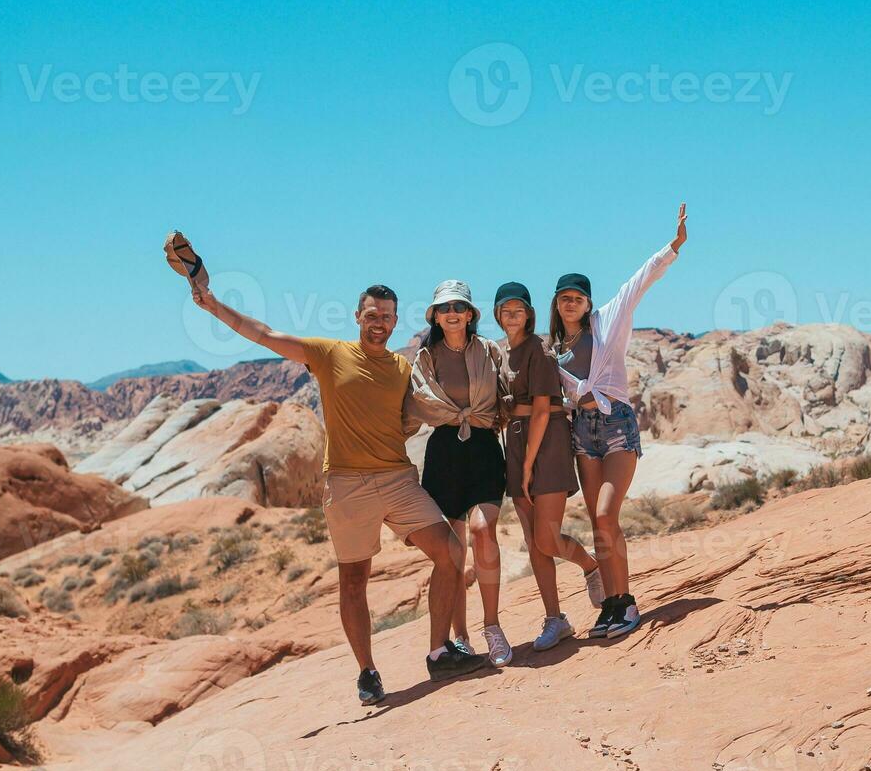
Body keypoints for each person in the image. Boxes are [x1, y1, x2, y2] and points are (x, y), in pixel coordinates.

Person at [189, 274, 486, 705]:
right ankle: (367, 670)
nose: (379, 322)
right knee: (353, 580)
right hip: (347, 485)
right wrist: (213, 305)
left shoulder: (403, 368)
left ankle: (439, 652)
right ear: (357, 316)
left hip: (399, 479)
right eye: (371, 315)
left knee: (451, 552)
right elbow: (267, 335)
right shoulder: (329, 354)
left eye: (386, 316)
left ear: (396, 320)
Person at [554, 203, 688, 639]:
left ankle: (627, 602)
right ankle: (610, 605)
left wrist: (673, 246)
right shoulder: (553, 349)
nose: (571, 303)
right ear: (557, 305)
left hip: (616, 426)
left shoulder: (608, 319)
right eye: (564, 298)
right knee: (596, 520)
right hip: (582, 433)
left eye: (577, 297)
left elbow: (640, 280)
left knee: (608, 513)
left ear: (588, 301)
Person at [403, 280, 513, 667]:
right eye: (444, 308)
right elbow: (415, 406)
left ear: (470, 315)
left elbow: (510, 394)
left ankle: (493, 627)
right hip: (444, 453)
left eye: (459, 307)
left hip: (483, 448)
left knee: (483, 531)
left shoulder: (489, 350)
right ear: (435, 315)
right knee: (450, 552)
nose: (452, 313)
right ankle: (460, 638)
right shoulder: (426, 358)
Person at [493, 281, 605, 651]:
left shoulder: (538, 349)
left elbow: (542, 408)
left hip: (547, 441)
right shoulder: (502, 354)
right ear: (496, 314)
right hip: (518, 441)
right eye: (505, 309)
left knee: (547, 536)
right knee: (532, 541)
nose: (512, 315)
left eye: (518, 309)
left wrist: (526, 467)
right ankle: (555, 619)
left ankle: (591, 567)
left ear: (529, 313)